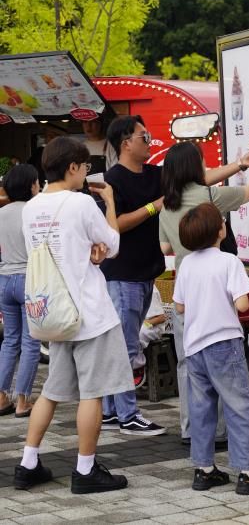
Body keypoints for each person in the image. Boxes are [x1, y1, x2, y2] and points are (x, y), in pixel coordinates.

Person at [14, 136, 134, 494]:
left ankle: (27, 463)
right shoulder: (82, 203)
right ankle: (85, 470)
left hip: (53, 312)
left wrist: (90, 251)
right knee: (92, 394)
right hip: (88, 313)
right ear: (72, 167)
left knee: (51, 392)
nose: (86, 174)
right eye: (84, 167)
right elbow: (113, 245)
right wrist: (109, 203)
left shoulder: (31, 208)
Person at [159, 141, 249, 445]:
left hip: (185, 289)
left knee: (188, 364)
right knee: (222, 363)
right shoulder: (210, 196)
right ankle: (220, 432)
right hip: (214, 292)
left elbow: (166, 247)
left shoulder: (166, 205)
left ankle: (191, 429)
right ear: (194, 166)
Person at [173, 202, 249, 495]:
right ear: (220, 231)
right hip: (224, 343)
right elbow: (243, 304)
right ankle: (247, 473)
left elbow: (179, 307)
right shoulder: (229, 262)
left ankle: (204, 470)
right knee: (239, 406)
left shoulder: (186, 264)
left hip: (194, 347)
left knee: (201, 409)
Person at [100, 115, 166, 436]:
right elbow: (115, 226)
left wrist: (240, 165)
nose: (149, 141)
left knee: (122, 345)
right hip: (122, 275)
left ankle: (110, 411)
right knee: (125, 346)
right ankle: (128, 414)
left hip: (146, 271)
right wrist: (154, 207)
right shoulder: (111, 181)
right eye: (144, 136)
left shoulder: (155, 173)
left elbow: (194, 178)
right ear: (126, 144)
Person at [0, 164, 41, 418]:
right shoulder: (33, 211)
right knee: (31, 342)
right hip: (29, 279)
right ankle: (23, 401)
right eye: (37, 182)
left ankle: (2, 397)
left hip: (4, 280)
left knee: (10, 340)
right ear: (30, 185)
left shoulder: (1, 213)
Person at [132, 284, 166, 389]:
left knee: (138, 332)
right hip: (137, 323)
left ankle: (137, 366)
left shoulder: (151, 289)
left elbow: (161, 318)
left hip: (153, 326)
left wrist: (141, 323)